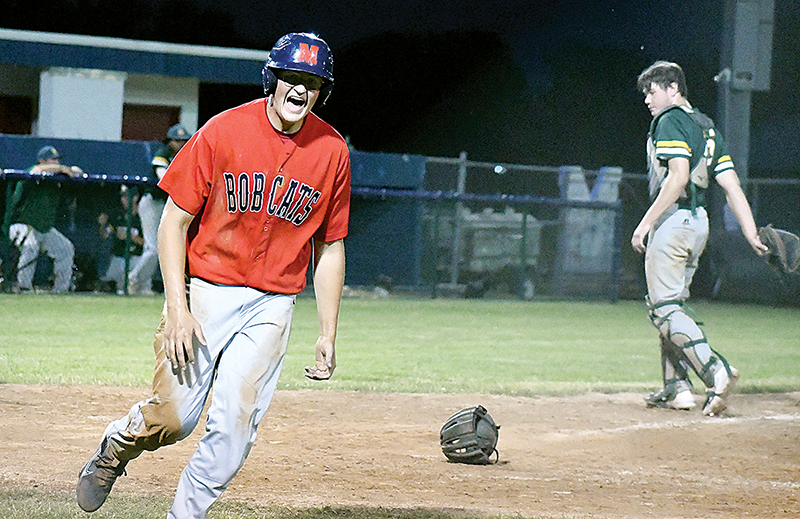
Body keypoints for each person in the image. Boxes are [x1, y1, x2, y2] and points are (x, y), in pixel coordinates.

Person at [76, 32, 351, 518]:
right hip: (205, 290)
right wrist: (178, 310)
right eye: (292, 77)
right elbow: (172, 223)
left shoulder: (331, 151)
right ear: (273, 79)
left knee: (234, 427)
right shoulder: (224, 130)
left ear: (321, 91)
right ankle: (116, 445)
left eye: (312, 82)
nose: (299, 89)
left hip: (273, 302)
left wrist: (328, 332)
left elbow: (330, 246)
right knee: (174, 419)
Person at [631, 61, 768, 416]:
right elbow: (732, 186)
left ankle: (715, 371)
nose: (648, 98)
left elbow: (676, 178)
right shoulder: (707, 128)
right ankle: (676, 388)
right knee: (671, 305)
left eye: (653, 90)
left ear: (674, 88)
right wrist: (750, 232)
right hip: (698, 225)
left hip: (674, 222)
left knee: (663, 309)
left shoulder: (669, 120)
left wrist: (645, 223)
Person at [2, 145, 82, 293]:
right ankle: (24, 288)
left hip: (43, 228)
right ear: (42, 160)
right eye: (53, 159)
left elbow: (77, 172)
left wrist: (71, 170)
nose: (57, 162)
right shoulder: (34, 171)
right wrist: (63, 169)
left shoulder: (56, 176)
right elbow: (37, 171)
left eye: (58, 160)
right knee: (30, 246)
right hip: (19, 225)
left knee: (66, 249)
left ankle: (60, 290)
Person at [127, 123, 190, 295]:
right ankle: (133, 279)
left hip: (165, 204)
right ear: (169, 141)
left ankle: (142, 285)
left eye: (184, 140)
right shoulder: (163, 153)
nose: (181, 144)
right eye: (177, 140)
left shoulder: (185, 156)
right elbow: (164, 177)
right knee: (153, 248)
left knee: (161, 248)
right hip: (151, 202)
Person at [98, 186, 145, 295]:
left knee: (140, 290)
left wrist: (131, 237)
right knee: (107, 288)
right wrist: (102, 225)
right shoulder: (117, 215)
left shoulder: (143, 216)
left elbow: (149, 245)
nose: (125, 200)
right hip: (118, 258)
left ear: (136, 197)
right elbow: (105, 234)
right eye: (123, 197)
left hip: (137, 259)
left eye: (128, 196)